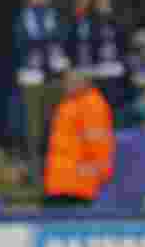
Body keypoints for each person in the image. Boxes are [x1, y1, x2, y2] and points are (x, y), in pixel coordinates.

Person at [43, 65, 115, 208]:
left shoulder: (92, 105)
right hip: (60, 181)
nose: (66, 84)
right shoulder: (68, 104)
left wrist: (95, 173)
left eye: (72, 80)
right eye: (66, 80)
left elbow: (99, 144)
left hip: (76, 185)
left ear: (86, 82)